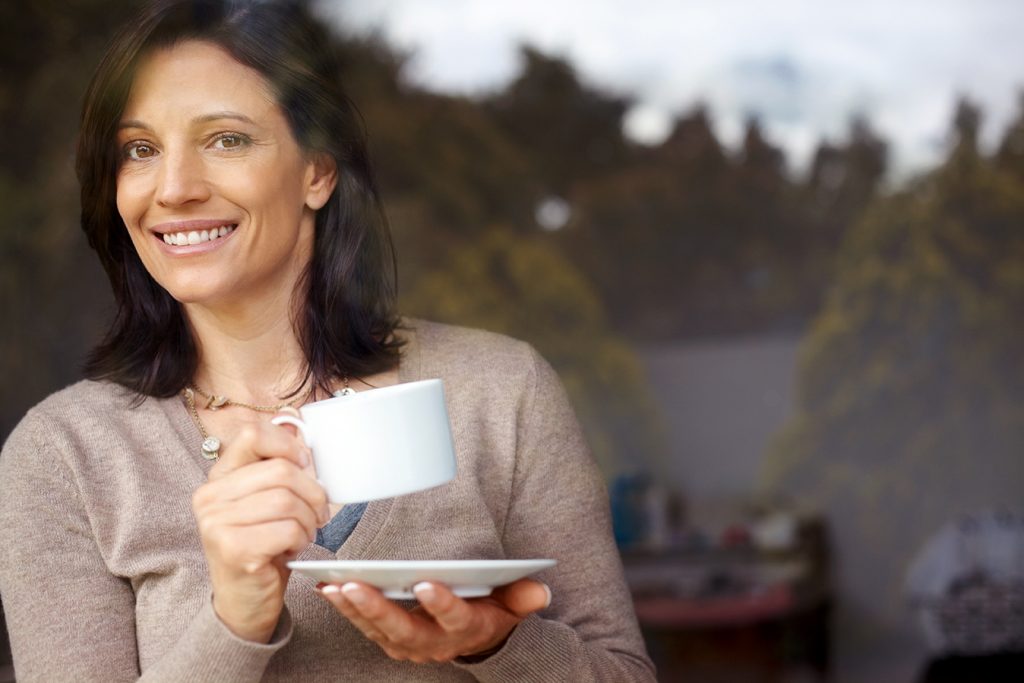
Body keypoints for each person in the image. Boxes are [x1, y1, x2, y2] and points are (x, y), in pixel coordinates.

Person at [0, 1, 655, 681]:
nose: (173, 188)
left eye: (226, 139)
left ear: (318, 170)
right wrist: (234, 620)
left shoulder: (500, 390)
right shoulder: (64, 455)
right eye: (139, 149)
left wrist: (497, 644)